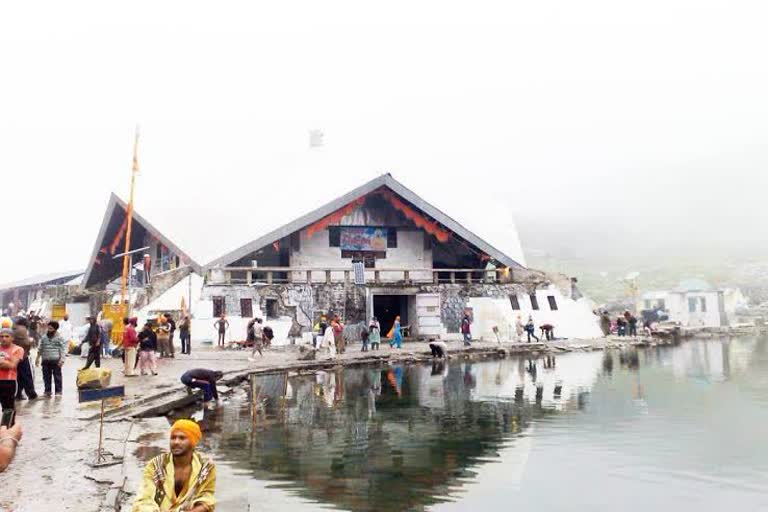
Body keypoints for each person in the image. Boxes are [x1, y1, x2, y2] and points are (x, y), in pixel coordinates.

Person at [132, 419, 216, 512]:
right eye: (173, 437)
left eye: (182, 438)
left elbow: (207, 496)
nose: (176, 442)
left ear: (193, 443)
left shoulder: (206, 466)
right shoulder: (156, 465)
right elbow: (144, 498)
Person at [35, 321, 66, 396]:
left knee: (57, 377)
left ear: (55, 329)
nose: (49, 330)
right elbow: (40, 348)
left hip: (56, 360)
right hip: (45, 360)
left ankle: (58, 391)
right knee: (46, 377)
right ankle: (47, 391)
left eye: (51, 328)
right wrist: (37, 358)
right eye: (48, 328)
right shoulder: (44, 337)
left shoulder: (59, 338)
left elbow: (62, 349)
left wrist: (62, 360)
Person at [0, 318, 24, 411]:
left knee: (8, 407)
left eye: (6, 336)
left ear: (12, 338)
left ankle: (9, 425)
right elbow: (8, 363)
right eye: (1, 336)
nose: (4, 338)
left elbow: (12, 365)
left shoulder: (17, 349)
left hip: (9, 381)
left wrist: (5, 362)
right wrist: (5, 362)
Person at [13, 317, 37, 400]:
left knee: (17, 376)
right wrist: (31, 341)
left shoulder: (13, 328)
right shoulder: (23, 329)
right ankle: (31, 394)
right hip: (23, 356)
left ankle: (18, 394)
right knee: (27, 375)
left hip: (13, 356)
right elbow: (26, 342)